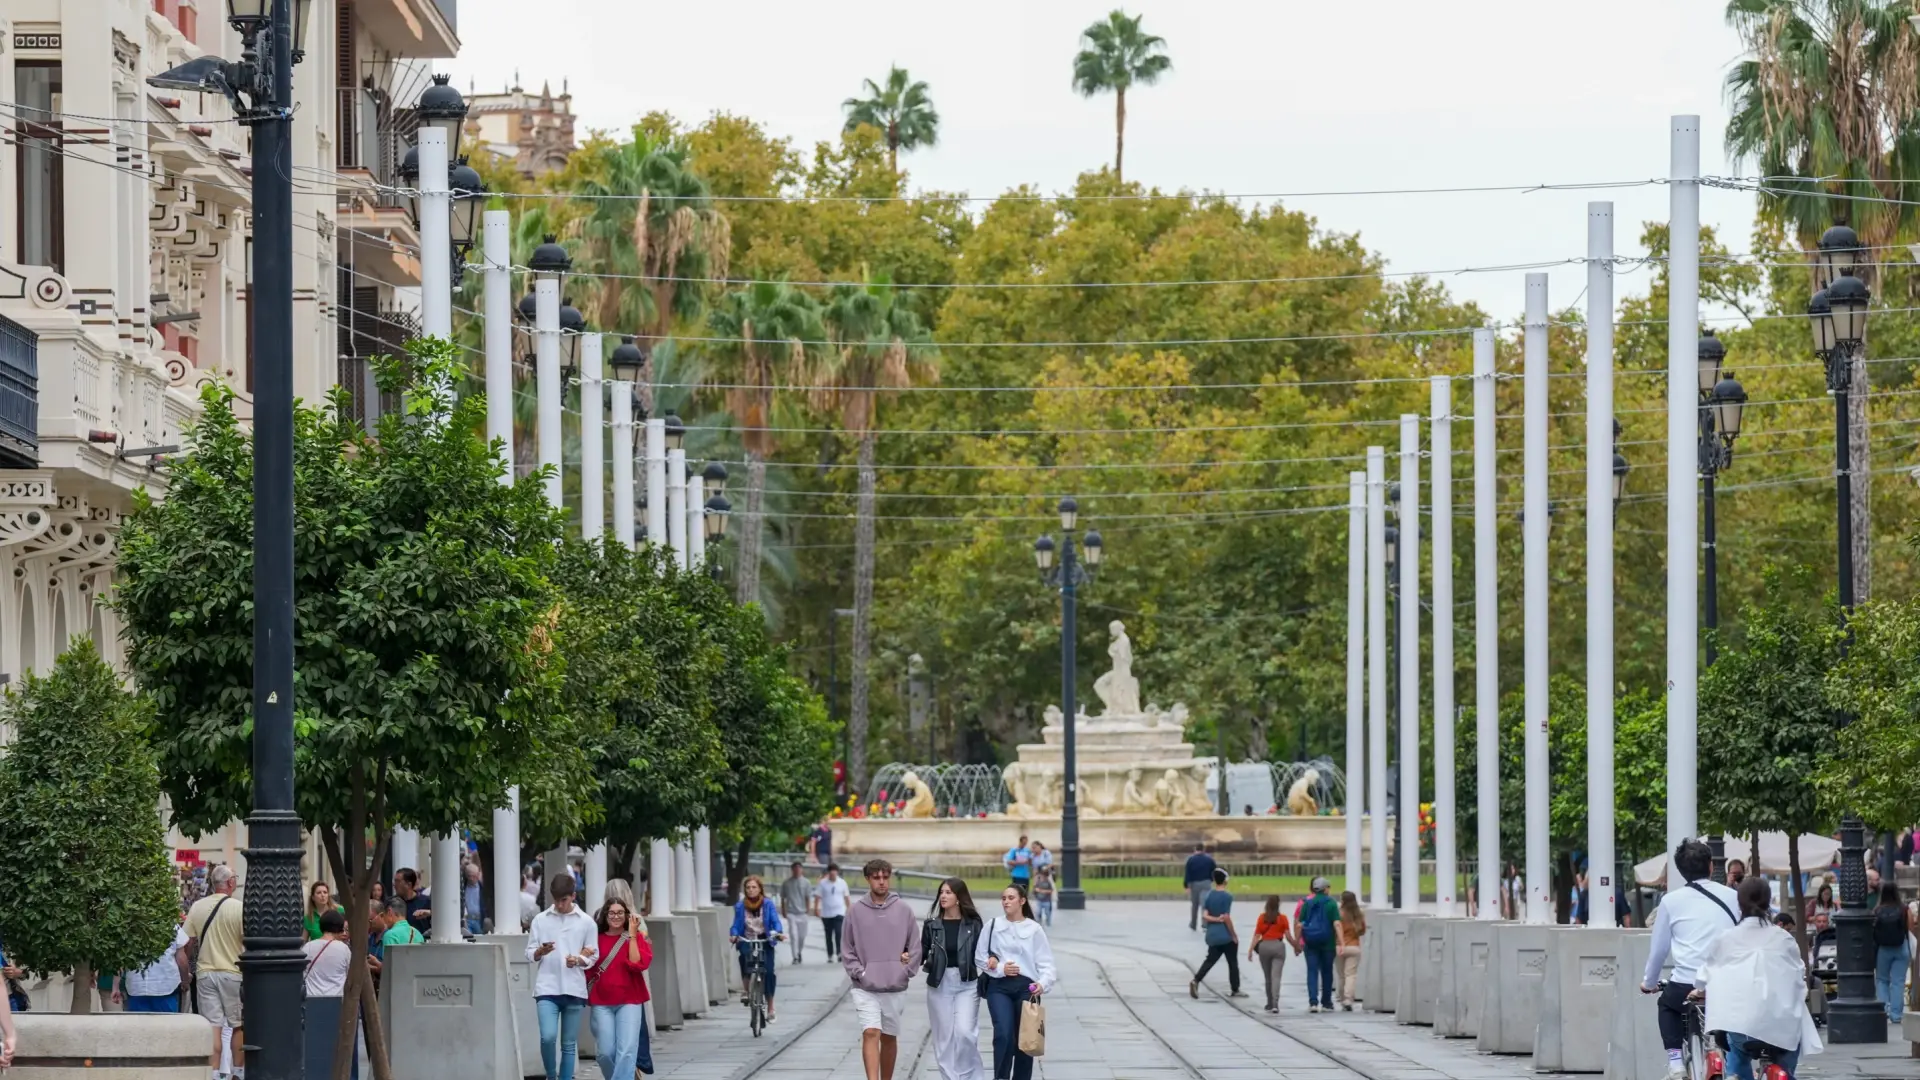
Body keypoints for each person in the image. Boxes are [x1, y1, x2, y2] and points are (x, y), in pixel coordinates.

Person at [1695, 876, 1823, 1080]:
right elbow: (1799, 974)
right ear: (1768, 902)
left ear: (1739, 903)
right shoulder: (1783, 938)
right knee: (1787, 1061)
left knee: (1736, 1052)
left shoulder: (1726, 939)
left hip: (1742, 1029)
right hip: (1783, 1026)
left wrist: (1699, 989)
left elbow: (1704, 975)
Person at [1641, 838, 1740, 1080]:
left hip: (1686, 983)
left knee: (1667, 1006)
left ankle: (1675, 1062)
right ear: (1711, 867)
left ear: (1680, 870)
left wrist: (1648, 982)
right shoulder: (1732, 896)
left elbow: (1659, 950)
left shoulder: (1670, 901)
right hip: (1727, 982)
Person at [843, 859, 920, 1080]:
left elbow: (915, 947)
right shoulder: (855, 911)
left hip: (895, 986)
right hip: (864, 986)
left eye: (885, 877)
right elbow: (847, 949)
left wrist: (904, 972)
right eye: (876, 878)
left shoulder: (904, 910)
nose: (882, 882)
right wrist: (860, 973)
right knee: (870, 1032)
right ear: (868, 879)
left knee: (888, 1038)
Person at [977, 885, 1055, 1080]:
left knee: (1026, 1041)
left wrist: (1042, 984)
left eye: (1011, 898)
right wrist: (1001, 968)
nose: (1006, 901)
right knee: (1003, 1034)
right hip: (999, 987)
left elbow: (1047, 964)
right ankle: (1001, 1077)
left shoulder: (1034, 929)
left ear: (1022, 901)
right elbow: (979, 957)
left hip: (1026, 989)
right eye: (1003, 898)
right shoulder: (993, 925)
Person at [526, 872, 598, 1080]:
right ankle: (550, 1075)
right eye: (556, 900)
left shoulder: (586, 922)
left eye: (563, 900)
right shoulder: (541, 920)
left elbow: (593, 955)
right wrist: (540, 952)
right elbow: (529, 952)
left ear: (573, 896)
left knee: (568, 1044)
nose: (559, 905)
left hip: (574, 988)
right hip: (547, 987)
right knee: (547, 1037)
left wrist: (578, 960)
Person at [921, 878, 985, 1080]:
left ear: (959, 897)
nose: (943, 896)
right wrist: (907, 956)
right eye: (941, 892)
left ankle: (968, 1076)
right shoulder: (932, 925)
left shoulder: (974, 924)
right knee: (944, 1038)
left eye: (948, 892)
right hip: (940, 983)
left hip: (967, 983)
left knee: (965, 1033)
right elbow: (921, 952)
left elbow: (983, 952)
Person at [187, 864, 245, 1080]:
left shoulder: (197, 907)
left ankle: (213, 1074)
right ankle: (237, 1073)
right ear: (230, 883)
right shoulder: (239, 908)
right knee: (238, 1025)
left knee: (213, 1026)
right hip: (233, 972)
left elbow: (188, 943)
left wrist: (189, 971)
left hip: (205, 973)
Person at [588, 895, 653, 1080]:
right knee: (605, 1053)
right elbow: (587, 968)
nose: (616, 917)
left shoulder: (636, 937)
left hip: (630, 1001)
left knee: (626, 1051)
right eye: (611, 913)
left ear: (627, 915)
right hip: (602, 1002)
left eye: (620, 913)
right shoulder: (596, 939)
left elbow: (637, 964)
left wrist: (632, 934)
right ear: (605, 916)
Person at [730, 875, 786, 1021]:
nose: (751, 890)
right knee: (744, 957)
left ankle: (771, 1007)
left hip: (765, 939)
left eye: (754, 887)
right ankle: (746, 990)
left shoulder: (768, 904)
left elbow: (775, 921)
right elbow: (736, 925)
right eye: (748, 887)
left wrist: (778, 933)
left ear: (760, 889)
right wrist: (734, 935)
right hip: (747, 939)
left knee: (768, 972)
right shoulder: (740, 906)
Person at [1191, 867, 1244, 999]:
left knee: (1209, 960)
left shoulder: (1209, 895)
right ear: (1225, 881)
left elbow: (1205, 915)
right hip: (1224, 935)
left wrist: (1214, 919)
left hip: (1212, 935)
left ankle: (1196, 980)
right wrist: (1233, 935)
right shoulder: (1227, 896)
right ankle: (1235, 988)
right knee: (1232, 962)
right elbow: (1226, 917)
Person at [119, 916, 190, 1012]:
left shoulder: (128, 925)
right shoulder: (170, 925)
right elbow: (181, 959)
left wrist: (116, 986)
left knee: (138, 1025)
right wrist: (185, 981)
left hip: (136, 988)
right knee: (169, 1025)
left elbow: (120, 959)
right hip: (166, 987)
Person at [1292, 876, 1340, 1013]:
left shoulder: (1307, 903)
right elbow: (1336, 923)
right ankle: (1326, 1002)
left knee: (1312, 971)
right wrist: (1341, 942)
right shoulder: (1331, 903)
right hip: (1328, 943)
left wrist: (1297, 943)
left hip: (1310, 942)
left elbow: (1299, 924)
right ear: (1325, 889)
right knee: (1327, 972)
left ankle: (1313, 1002)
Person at [1873, 880, 1913, 1023]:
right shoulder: (1903, 908)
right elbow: (1909, 928)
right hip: (1901, 946)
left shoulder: (1877, 910)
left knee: (1882, 980)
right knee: (1898, 981)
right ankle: (1896, 1015)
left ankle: (1883, 1011)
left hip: (1883, 948)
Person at [1248, 895, 1290, 1014]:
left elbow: (1257, 936)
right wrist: (1296, 946)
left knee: (1268, 977)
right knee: (1276, 976)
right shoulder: (1282, 918)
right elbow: (1288, 936)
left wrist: (1251, 950)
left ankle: (1269, 1002)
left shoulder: (1262, 918)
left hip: (1264, 947)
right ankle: (1276, 1004)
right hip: (1278, 946)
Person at [302, 909, 352, 1001]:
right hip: (336, 1000)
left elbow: (303, 973)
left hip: (311, 1000)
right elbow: (349, 975)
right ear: (340, 928)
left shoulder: (307, 947)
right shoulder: (344, 949)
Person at [1334, 890, 1366, 1010]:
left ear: (1343, 901)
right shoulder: (1359, 914)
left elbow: (1334, 929)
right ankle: (1348, 999)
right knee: (1351, 975)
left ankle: (1342, 998)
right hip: (1354, 946)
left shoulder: (1338, 914)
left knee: (1341, 975)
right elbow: (1362, 931)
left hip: (1339, 947)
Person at [780, 862, 815, 964]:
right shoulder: (786, 883)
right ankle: (794, 956)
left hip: (802, 912)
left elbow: (808, 897)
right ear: (792, 870)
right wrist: (783, 910)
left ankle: (799, 952)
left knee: (802, 936)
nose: (797, 871)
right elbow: (783, 898)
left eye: (799, 869)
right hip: (791, 912)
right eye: (795, 869)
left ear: (801, 870)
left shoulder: (806, 882)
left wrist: (808, 910)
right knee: (793, 935)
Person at [818, 862, 851, 961]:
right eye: (831, 872)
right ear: (828, 873)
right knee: (828, 935)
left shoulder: (842, 883)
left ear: (837, 872)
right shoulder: (822, 883)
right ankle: (830, 954)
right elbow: (817, 897)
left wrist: (849, 909)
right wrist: (816, 909)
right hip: (826, 913)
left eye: (834, 872)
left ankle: (840, 953)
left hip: (839, 912)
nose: (833, 874)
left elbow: (846, 897)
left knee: (839, 933)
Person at [1183, 843, 1216, 931]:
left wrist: (1186, 886)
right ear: (1204, 849)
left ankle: (1193, 924)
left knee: (1194, 905)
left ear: (1195, 849)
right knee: (1205, 904)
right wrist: (1212, 880)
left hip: (1194, 884)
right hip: (1206, 883)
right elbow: (1214, 871)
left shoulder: (1191, 860)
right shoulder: (1209, 860)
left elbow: (1187, 874)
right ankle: (1205, 923)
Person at [394, 868, 432, 938]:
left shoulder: (426, 901)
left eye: (397, 881)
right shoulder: (392, 903)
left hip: (421, 945)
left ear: (409, 884)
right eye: (394, 881)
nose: (394, 885)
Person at [463, 862, 485, 936]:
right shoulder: (463, 888)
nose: (472, 879)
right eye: (469, 876)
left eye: (474, 876)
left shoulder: (483, 888)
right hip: (467, 920)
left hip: (479, 920)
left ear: (478, 874)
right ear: (466, 875)